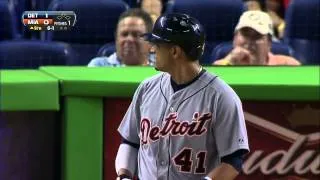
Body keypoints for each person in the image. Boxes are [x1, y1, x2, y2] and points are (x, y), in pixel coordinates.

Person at [115, 13, 250, 180]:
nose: (152, 49)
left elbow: (233, 161)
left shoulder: (221, 97)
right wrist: (123, 175)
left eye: (157, 44)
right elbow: (130, 141)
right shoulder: (147, 88)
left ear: (174, 51)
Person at [213, 10, 300, 65]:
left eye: (257, 36)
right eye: (245, 34)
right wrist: (229, 62)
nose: (250, 42)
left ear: (269, 42)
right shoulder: (221, 66)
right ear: (235, 38)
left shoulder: (288, 65)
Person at [88, 8, 154, 67]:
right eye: (124, 34)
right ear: (116, 39)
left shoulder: (162, 69)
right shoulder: (98, 66)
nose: (129, 39)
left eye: (136, 35)